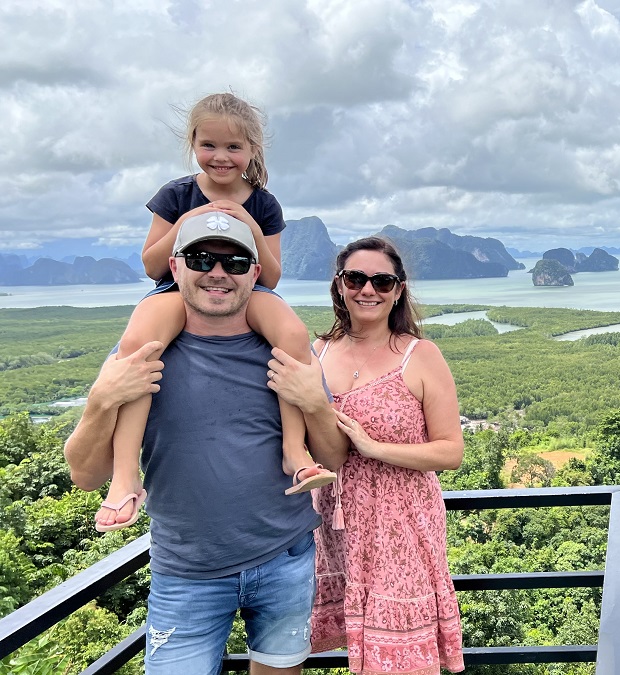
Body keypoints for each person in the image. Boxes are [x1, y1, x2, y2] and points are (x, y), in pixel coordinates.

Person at [64, 213, 348, 674]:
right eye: (201, 259)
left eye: (235, 262)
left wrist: (314, 402)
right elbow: (83, 475)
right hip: (186, 572)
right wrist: (100, 401)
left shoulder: (286, 349)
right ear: (175, 268)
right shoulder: (140, 354)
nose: (218, 272)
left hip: (287, 557)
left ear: (254, 275)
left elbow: (333, 458)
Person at [96, 92, 333, 532]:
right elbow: (151, 265)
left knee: (295, 338)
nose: (221, 157)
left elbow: (272, 276)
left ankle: (295, 451)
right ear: (192, 143)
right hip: (177, 287)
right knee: (136, 350)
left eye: (234, 147)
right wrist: (193, 220)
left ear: (252, 151)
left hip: (246, 287)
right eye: (210, 145)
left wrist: (248, 224)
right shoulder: (176, 194)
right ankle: (125, 473)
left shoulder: (263, 202)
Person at [273, 236, 465, 674]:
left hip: (402, 519)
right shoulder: (315, 353)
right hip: (333, 516)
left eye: (382, 281)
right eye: (356, 278)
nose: (368, 290)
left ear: (398, 290)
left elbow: (451, 451)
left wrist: (375, 448)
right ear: (339, 285)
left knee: (398, 652)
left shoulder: (420, 355)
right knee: (357, 640)